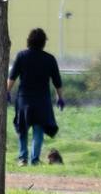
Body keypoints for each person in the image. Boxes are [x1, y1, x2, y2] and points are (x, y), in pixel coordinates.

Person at [7, 28, 63, 166]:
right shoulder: (49, 59)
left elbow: (12, 77)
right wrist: (60, 98)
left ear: (29, 41)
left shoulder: (21, 56)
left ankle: (22, 158)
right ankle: (35, 159)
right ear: (43, 42)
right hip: (42, 101)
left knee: (23, 129)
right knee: (38, 130)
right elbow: (57, 81)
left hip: (24, 99)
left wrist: (7, 91)